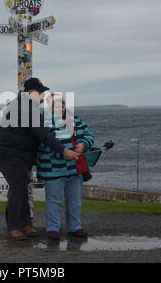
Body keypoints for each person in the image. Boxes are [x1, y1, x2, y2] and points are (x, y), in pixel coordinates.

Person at [0, 78, 79, 240]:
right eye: (40, 92)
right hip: (11, 155)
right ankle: (14, 227)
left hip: (18, 155)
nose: (42, 96)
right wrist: (63, 150)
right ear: (32, 92)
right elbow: (41, 134)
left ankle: (25, 224)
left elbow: (38, 134)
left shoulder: (25, 105)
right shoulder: (24, 108)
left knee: (21, 189)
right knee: (18, 189)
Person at [37, 95, 94, 240]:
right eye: (55, 106)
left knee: (75, 200)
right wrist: (65, 154)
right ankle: (52, 229)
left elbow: (88, 134)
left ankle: (75, 227)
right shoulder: (44, 124)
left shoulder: (75, 120)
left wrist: (84, 144)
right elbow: (46, 144)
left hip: (75, 168)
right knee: (54, 200)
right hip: (53, 169)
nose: (60, 108)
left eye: (61, 106)